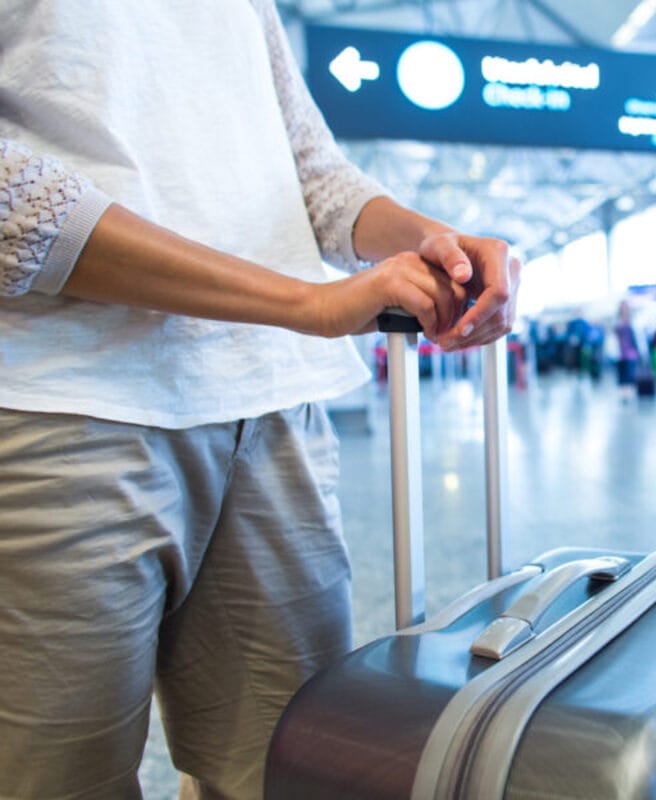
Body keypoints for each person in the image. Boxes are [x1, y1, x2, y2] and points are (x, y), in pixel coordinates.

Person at [0, 3, 519, 798]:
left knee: (289, 767)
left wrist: (432, 239)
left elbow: (309, 170)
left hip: (272, 405)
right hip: (65, 399)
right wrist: (305, 304)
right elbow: (13, 198)